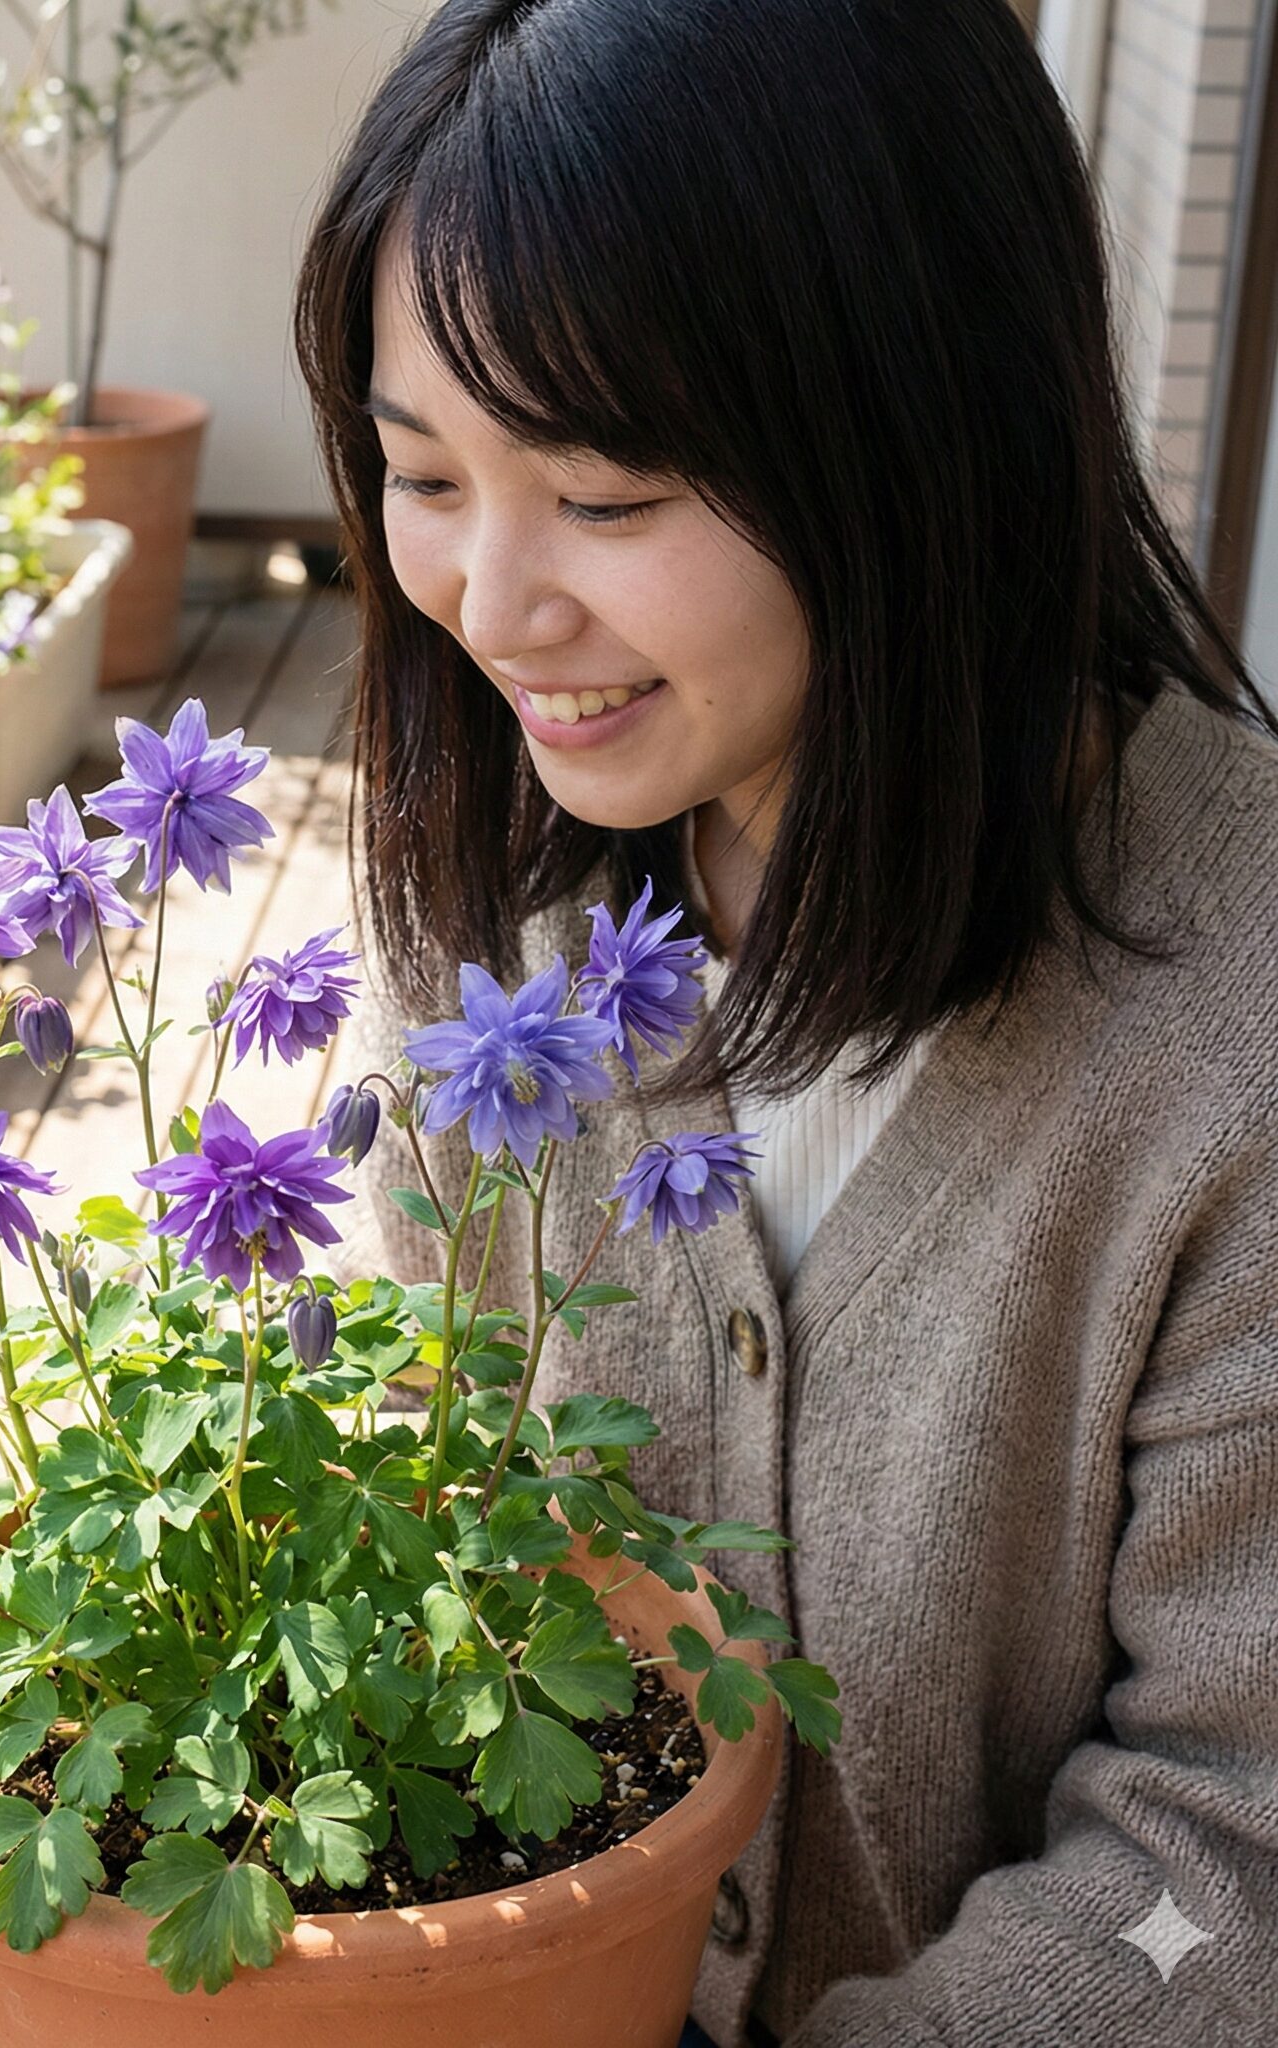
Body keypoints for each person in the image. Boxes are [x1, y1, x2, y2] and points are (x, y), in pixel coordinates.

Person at [290, 2, 1278, 2043]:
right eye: (419, 475)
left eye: (607, 495)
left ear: (913, 431)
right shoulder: (488, 895)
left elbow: (1234, 1854)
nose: (489, 602)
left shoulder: (1233, 1018)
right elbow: (397, 1483)